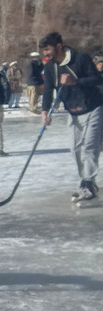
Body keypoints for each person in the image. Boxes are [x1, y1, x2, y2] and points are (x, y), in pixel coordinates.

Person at [39, 32, 102, 205]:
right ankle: (86, 183)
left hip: (92, 107)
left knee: (89, 146)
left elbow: (97, 79)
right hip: (73, 111)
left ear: (59, 46)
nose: (45, 54)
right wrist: (45, 111)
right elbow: (47, 90)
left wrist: (76, 81)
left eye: (47, 49)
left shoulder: (80, 58)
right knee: (75, 149)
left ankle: (88, 184)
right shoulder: (50, 67)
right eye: (43, 51)